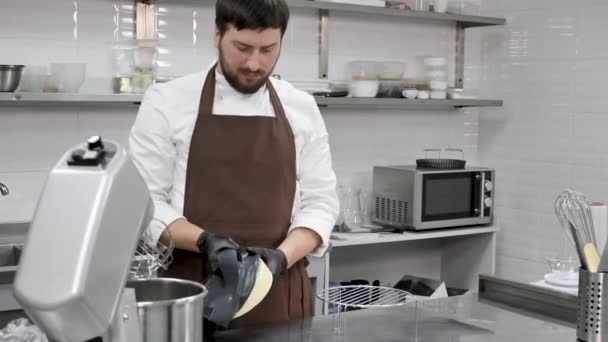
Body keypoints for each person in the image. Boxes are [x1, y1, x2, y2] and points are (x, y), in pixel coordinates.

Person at [129, 0, 339, 326]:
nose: (255, 63)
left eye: (268, 49)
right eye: (242, 47)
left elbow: (321, 203)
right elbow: (145, 204)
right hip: (193, 294)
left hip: (278, 294)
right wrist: (205, 241)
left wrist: (280, 258)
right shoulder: (167, 102)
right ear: (217, 35)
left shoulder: (302, 107)